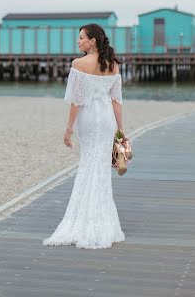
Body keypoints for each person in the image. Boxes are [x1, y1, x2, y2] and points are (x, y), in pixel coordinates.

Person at [43, 23, 126, 249]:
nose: (78, 41)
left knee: (88, 164)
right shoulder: (113, 65)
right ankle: (103, 222)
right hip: (107, 118)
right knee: (99, 168)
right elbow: (117, 101)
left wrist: (68, 128)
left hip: (89, 118)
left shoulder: (79, 64)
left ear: (92, 41)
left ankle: (84, 220)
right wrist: (121, 130)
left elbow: (76, 101)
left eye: (81, 38)